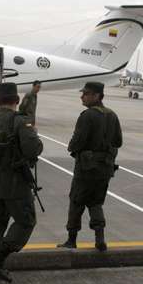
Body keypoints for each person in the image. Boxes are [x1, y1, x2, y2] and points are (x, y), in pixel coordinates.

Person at [0, 82, 43, 283]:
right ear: (16, 100)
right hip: (14, 183)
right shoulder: (20, 121)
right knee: (25, 221)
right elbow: (33, 149)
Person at [57, 82, 122, 251]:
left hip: (86, 168)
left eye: (86, 93)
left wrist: (73, 148)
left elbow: (77, 142)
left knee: (77, 201)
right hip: (105, 169)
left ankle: (71, 240)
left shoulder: (88, 116)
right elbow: (118, 142)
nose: (82, 96)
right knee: (95, 202)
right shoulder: (112, 115)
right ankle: (100, 239)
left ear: (97, 96)